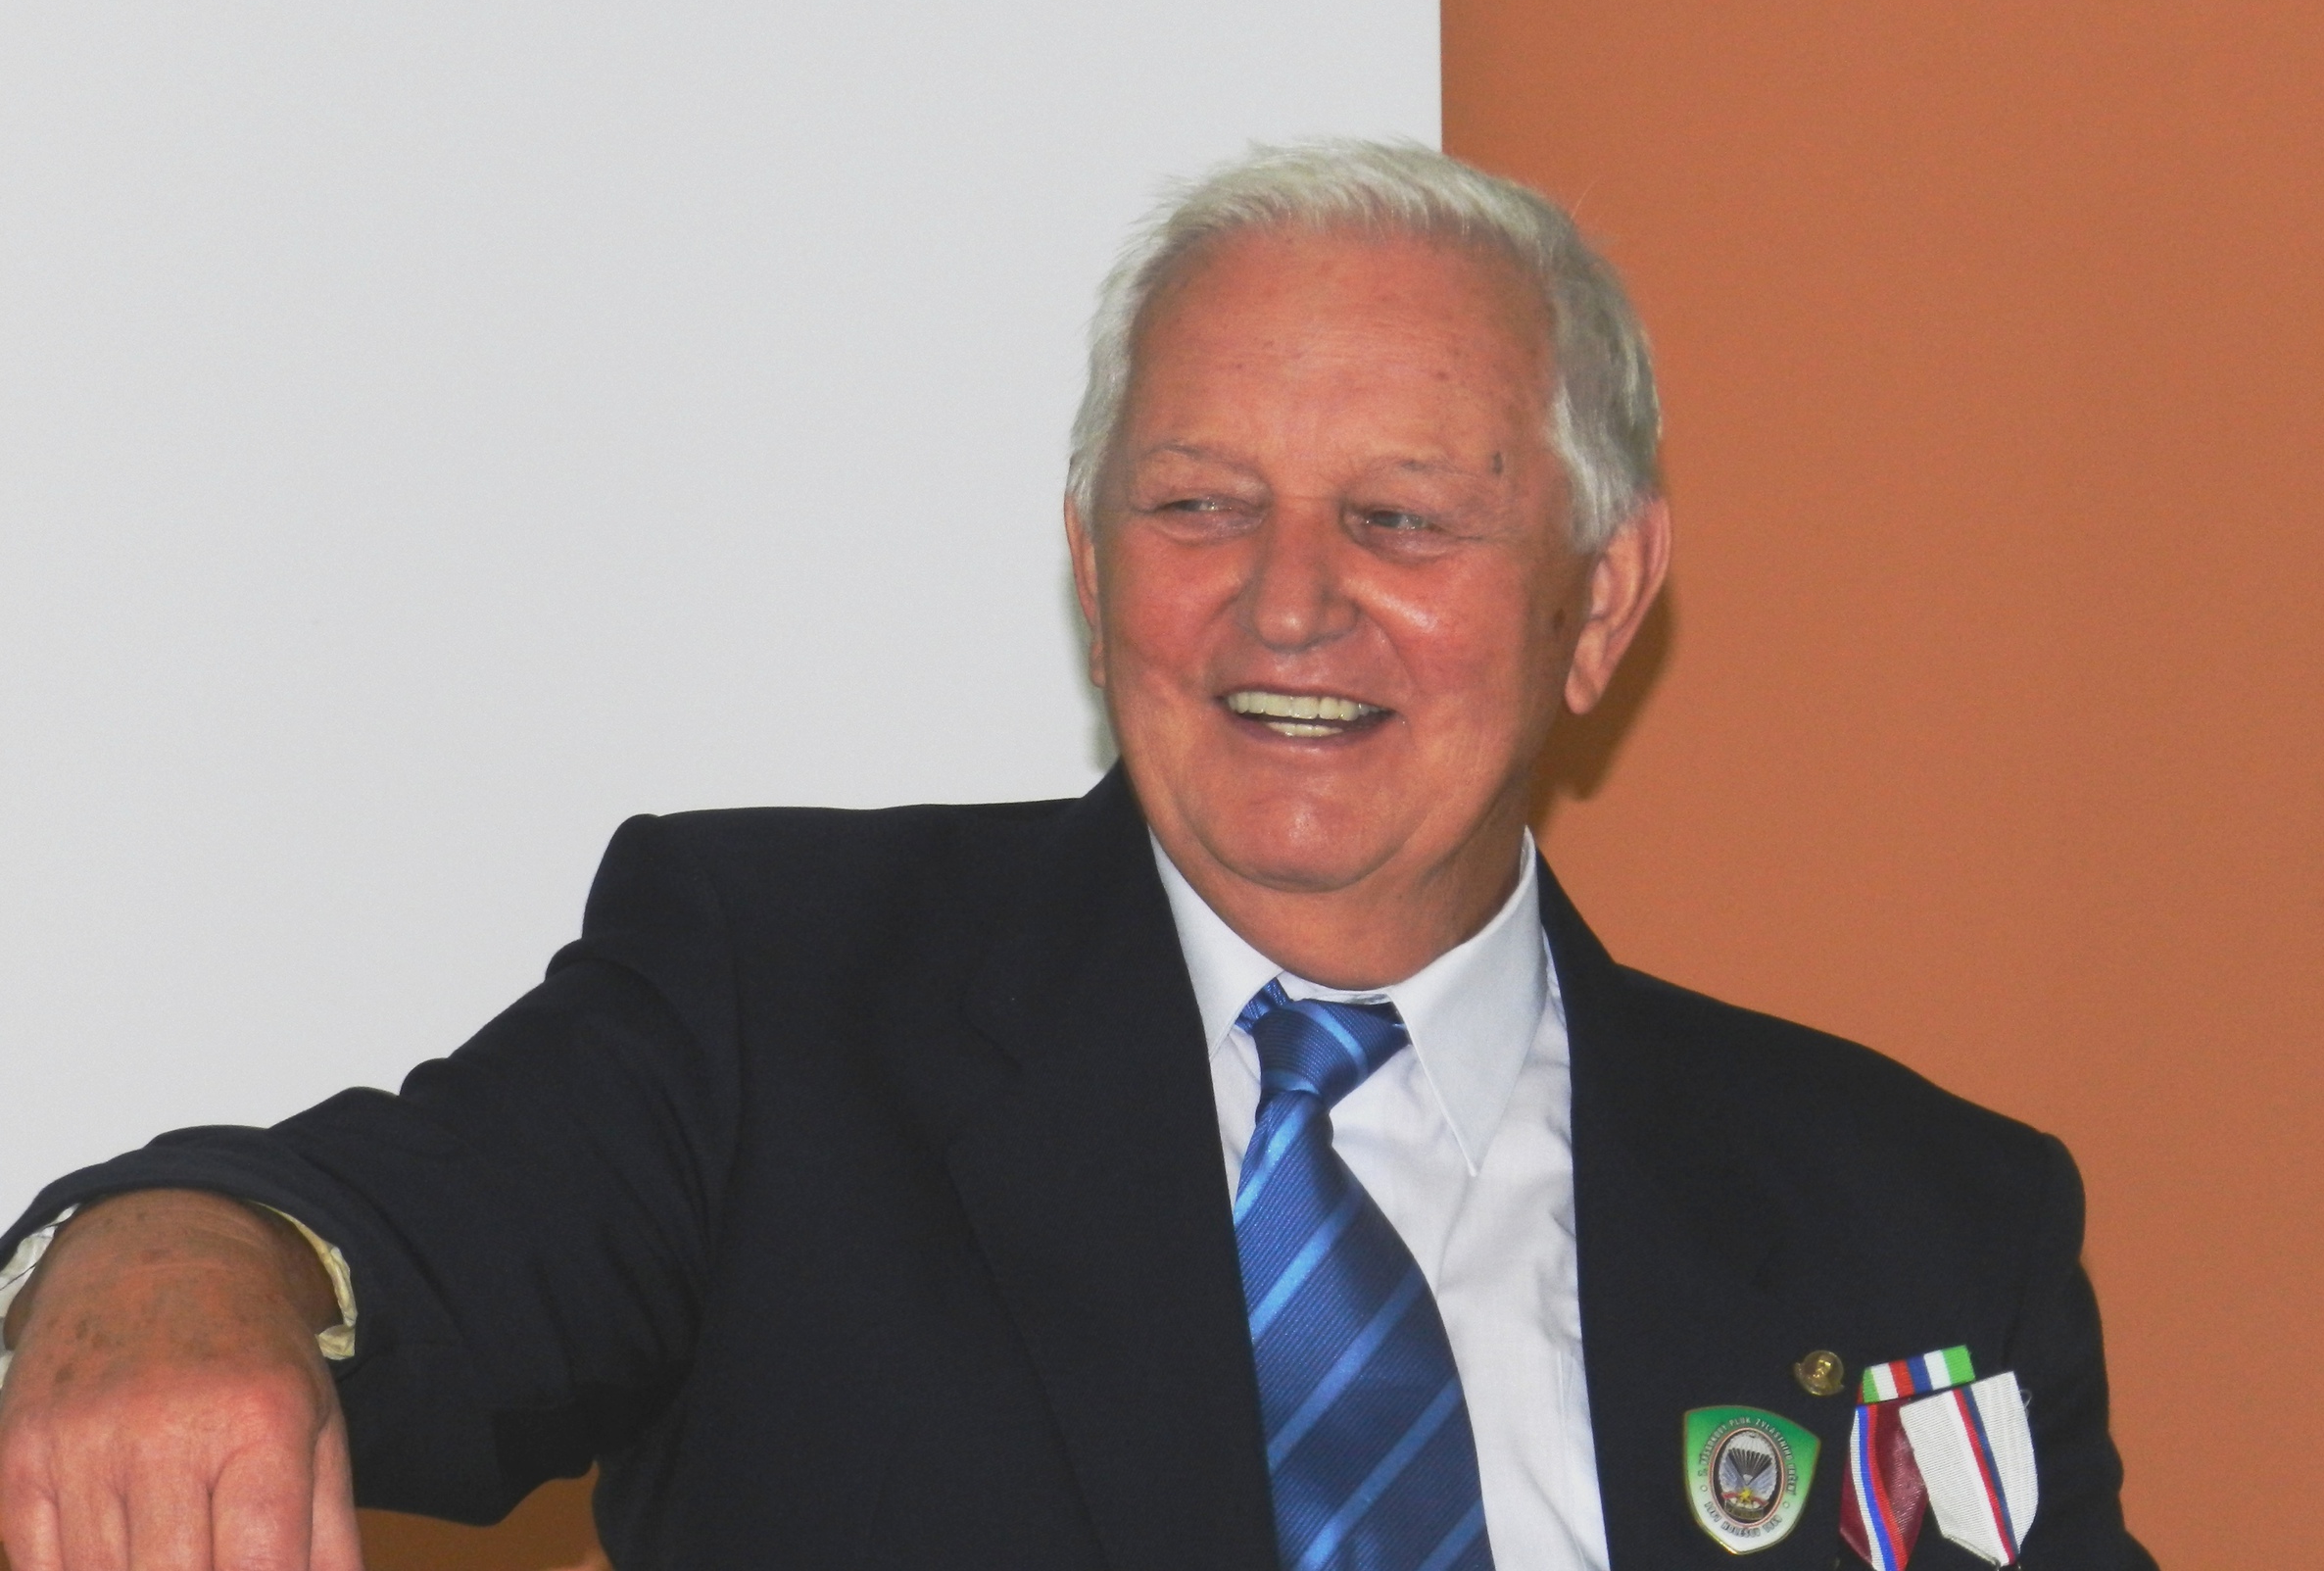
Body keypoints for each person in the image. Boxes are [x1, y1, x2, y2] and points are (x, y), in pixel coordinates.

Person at [0, 142, 2151, 1570]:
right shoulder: (774, 1011)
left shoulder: (1920, 1221)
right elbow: (397, 1244)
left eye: (1400, 521)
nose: (1287, 606)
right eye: (1199, 505)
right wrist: (174, 1254)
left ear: (1602, 601)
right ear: (1089, 558)